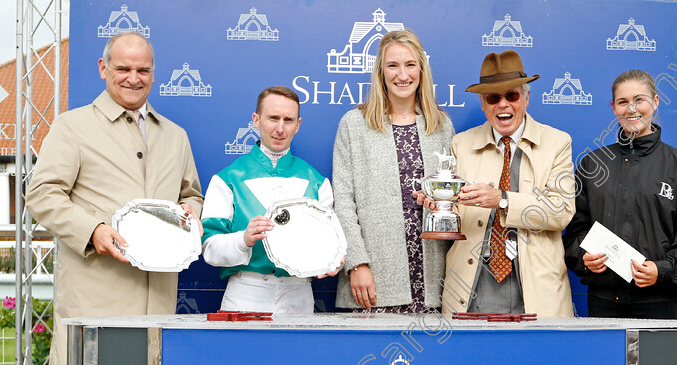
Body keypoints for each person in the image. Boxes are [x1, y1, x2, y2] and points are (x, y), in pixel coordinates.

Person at [25, 32, 203, 365]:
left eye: (142, 69)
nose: (133, 78)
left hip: (157, 313)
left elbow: (192, 194)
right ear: (103, 69)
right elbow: (41, 195)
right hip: (94, 311)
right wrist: (94, 229)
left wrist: (190, 210)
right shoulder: (73, 127)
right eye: (122, 69)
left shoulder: (175, 135)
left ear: (154, 72)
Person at [563, 69, 677, 319]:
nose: (631, 109)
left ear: (655, 103)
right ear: (613, 107)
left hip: (659, 301)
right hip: (603, 303)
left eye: (639, 100)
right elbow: (574, 228)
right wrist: (583, 256)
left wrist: (663, 270)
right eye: (623, 102)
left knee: (657, 361)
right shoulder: (593, 164)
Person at [438, 49, 575, 316]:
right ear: (482, 103)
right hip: (472, 285)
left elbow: (560, 211)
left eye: (511, 95)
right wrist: (439, 204)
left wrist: (501, 199)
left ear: (526, 98)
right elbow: (453, 210)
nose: (503, 104)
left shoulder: (558, 143)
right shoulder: (461, 144)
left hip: (536, 289)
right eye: (493, 97)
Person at [332, 30, 455, 313]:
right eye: (393, 65)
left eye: (410, 64)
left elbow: (452, 199)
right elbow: (344, 203)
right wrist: (357, 262)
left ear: (422, 70)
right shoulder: (354, 124)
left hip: (434, 278)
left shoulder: (441, 126)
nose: (402, 74)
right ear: (381, 72)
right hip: (373, 279)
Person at [201, 86, 339, 313]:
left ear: (298, 124)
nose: (280, 128)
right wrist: (243, 239)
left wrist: (330, 260)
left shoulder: (317, 182)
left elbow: (326, 245)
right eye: (273, 118)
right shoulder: (227, 179)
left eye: (288, 119)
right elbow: (209, 248)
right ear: (256, 120)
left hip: (299, 294)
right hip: (245, 293)